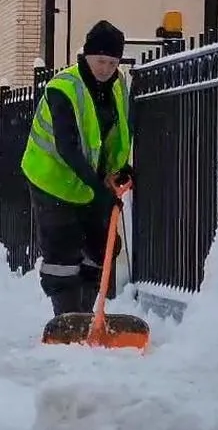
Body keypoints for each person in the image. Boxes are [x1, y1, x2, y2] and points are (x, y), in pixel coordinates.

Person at [20, 20, 135, 316]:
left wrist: (119, 169)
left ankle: (85, 315)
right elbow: (68, 147)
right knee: (63, 248)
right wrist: (98, 189)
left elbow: (115, 132)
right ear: (86, 56)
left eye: (113, 63)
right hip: (52, 177)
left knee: (103, 245)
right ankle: (67, 318)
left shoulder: (117, 86)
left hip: (89, 180)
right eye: (100, 61)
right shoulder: (63, 88)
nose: (106, 69)